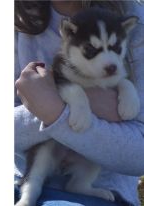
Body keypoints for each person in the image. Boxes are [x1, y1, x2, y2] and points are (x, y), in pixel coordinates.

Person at [14, 1, 144, 206]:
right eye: (92, 50)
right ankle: (29, 192)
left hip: (102, 185)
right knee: (43, 153)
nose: (109, 62)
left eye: (116, 49)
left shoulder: (134, 16)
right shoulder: (17, 19)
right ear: (67, 36)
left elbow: (140, 153)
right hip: (18, 174)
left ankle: (81, 184)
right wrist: (56, 110)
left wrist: (125, 90)